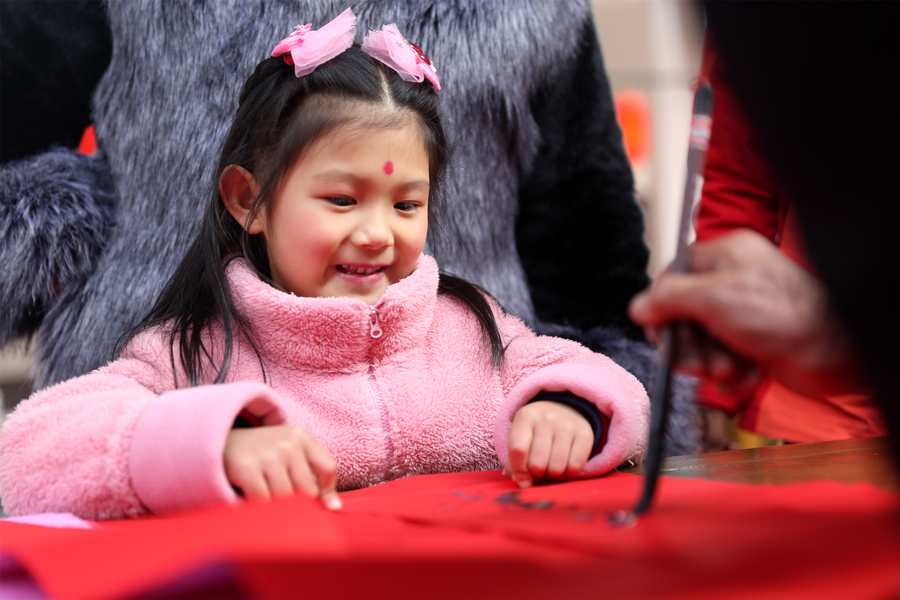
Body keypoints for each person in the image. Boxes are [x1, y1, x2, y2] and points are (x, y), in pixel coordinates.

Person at [0, 11, 649, 520]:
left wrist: (570, 410)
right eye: (341, 199)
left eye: (406, 203)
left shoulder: (477, 331)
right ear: (248, 200)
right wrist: (210, 445)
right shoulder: (193, 353)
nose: (374, 233)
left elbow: (596, 375)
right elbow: (32, 453)